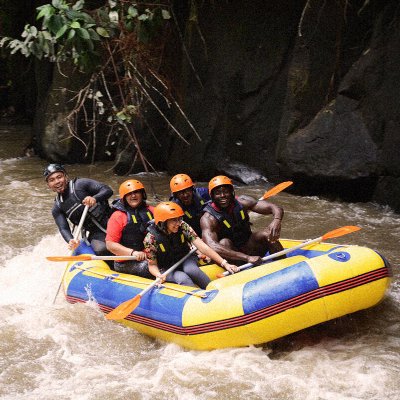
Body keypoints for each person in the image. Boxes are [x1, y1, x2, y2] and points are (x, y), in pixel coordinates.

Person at [144, 202, 238, 289]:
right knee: (182, 278)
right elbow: (152, 265)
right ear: (163, 222)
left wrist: (224, 263)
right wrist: (158, 275)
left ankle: (213, 290)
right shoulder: (150, 239)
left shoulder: (183, 226)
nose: (178, 223)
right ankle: (196, 301)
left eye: (179, 219)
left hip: (185, 258)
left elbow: (202, 246)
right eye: (174, 220)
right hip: (166, 267)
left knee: (192, 270)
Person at [200, 175, 285, 266]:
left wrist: (277, 220)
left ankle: (284, 265)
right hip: (231, 256)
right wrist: (247, 258)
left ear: (232, 192)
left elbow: (275, 208)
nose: (222, 196)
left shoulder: (243, 202)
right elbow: (212, 246)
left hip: (249, 246)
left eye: (226, 192)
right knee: (224, 242)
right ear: (212, 196)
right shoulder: (208, 218)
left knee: (267, 234)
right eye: (217, 193)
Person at [44, 163, 113, 255]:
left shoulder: (81, 184)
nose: (57, 181)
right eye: (52, 180)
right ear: (48, 185)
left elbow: (107, 190)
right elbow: (63, 228)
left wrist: (95, 198)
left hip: (112, 221)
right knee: (101, 249)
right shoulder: (57, 207)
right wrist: (71, 240)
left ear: (66, 176)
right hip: (96, 232)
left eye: (59, 177)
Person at [105, 179, 154, 277]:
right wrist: (133, 253)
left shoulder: (152, 210)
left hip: (151, 256)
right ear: (124, 197)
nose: (133, 195)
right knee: (147, 267)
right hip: (126, 262)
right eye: (129, 193)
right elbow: (110, 245)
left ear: (142, 194)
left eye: (136, 192)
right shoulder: (118, 216)